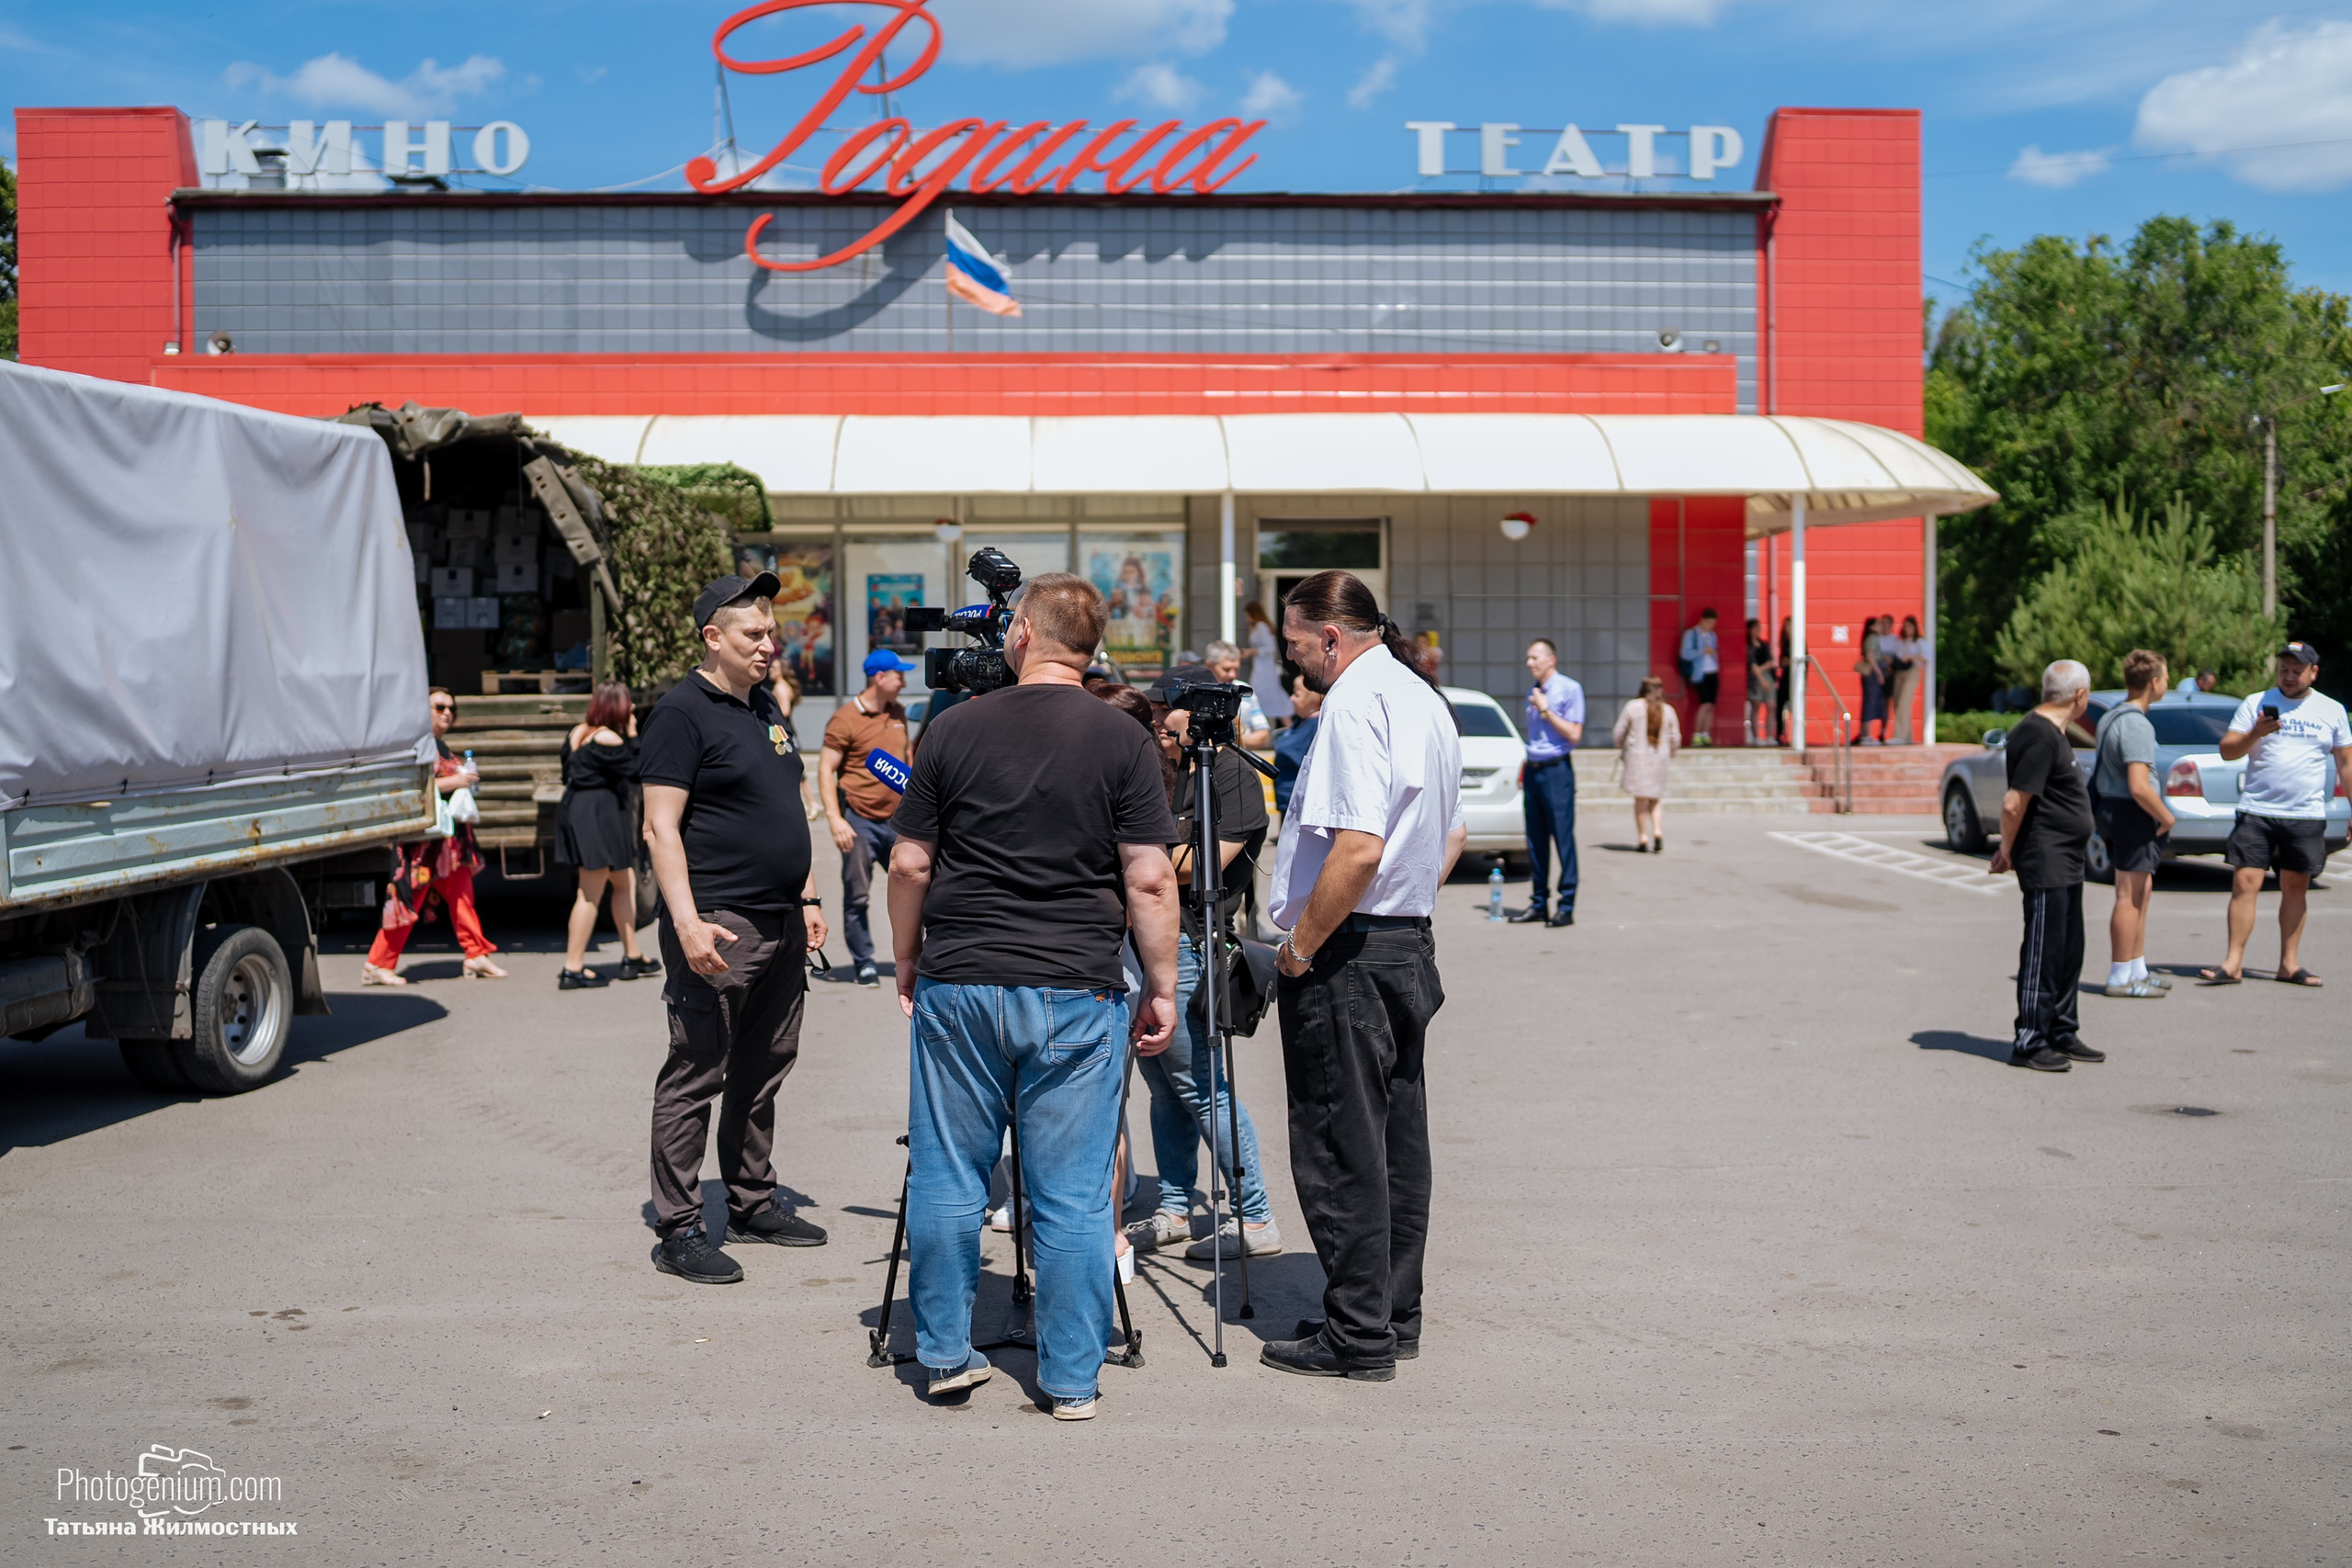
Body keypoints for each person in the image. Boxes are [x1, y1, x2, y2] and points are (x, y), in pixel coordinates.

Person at [887, 573, 1181, 1421]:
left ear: (1019, 633)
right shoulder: (1122, 739)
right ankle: (1071, 1378)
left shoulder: (951, 726)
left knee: (949, 1176)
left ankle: (944, 1353)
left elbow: (909, 863)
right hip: (1076, 989)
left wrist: (908, 955)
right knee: (1074, 1193)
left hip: (963, 978)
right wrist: (1159, 986)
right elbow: (1152, 878)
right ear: (1088, 647)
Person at [1262, 570, 1464, 1382]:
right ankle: (1389, 1311)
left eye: (1295, 642)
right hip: (1405, 940)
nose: (1292, 658)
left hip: (1351, 946)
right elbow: (1448, 835)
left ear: (1331, 636)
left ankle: (1357, 1333)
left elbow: (1357, 848)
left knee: (1342, 1144)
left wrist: (1302, 946)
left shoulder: (1351, 704)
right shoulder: (1422, 696)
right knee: (1394, 1142)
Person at [639, 573, 831, 1285]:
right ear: (712, 638)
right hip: (718, 924)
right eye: (754, 634)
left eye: (771, 633)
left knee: (762, 1069)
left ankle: (751, 1201)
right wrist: (687, 921)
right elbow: (660, 827)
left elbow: (787, 803)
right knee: (697, 1071)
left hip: (780, 920)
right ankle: (680, 1227)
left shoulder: (764, 709)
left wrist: (808, 897)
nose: (768, 644)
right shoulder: (680, 714)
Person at [1127, 674, 1281, 1262]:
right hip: (1146, 943)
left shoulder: (1234, 775)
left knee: (1203, 1089)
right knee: (1165, 1091)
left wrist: (1133, 861)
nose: (1157, 723)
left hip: (1194, 945)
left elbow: (1204, 866)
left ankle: (1256, 1216)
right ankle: (1174, 1207)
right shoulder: (1164, 772)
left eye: (1166, 712)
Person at [2199, 641, 2352, 987]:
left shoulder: (2332, 711)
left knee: (2295, 888)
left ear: (2313, 673)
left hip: (2305, 814)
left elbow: (2346, 763)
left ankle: (2289, 963)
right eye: (2284, 669)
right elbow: (2227, 751)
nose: (2288, 676)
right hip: (2257, 810)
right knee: (2244, 883)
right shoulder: (2255, 703)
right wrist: (2256, 732)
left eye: (2296, 671)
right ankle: (2233, 962)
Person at [1987, 659, 2099, 1072]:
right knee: (2043, 950)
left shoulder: (2054, 732)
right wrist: (2006, 849)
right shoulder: (2037, 735)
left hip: (2067, 859)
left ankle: (2061, 1030)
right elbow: (2015, 802)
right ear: (2080, 696)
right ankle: (2031, 1038)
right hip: (2046, 857)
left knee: (2069, 948)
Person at [362, 688, 507, 986]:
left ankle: (476, 954)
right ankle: (377, 964)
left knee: (463, 897)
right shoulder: (417, 746)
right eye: (439, 706)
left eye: (452, 708)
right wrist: (457, 780)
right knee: (406, 901)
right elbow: (412, 790)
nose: (447, 713)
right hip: (424, 847)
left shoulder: (438, 744)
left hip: (450, 845)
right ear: (422, 709)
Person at [820, 649, 919, 988]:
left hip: (898, 822)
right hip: (860, 820)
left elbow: (906, 762)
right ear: (880, 678)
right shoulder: (845, 719)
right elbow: (825, 768)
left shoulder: (898, 713)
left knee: (917, 888)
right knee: (858, 896)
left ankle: (918, 957)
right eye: (898, 675)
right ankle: (864, 963)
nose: (903, 682)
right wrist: (836, 819)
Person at [557, 682, 656, 989]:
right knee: (590, 893)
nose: (631, 710)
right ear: (617, 707)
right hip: (598, 816)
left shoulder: (578, 732)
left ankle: (633, 954)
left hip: (585, 810)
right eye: (628, 704)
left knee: (623, 882)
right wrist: (634, 734)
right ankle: (572, 968)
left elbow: (566, 772)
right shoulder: (609, 738)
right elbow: (639, 769)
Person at [2093, 650, 2176, 999]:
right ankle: (2119, 976)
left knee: (2142, 891)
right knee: (2128, 895)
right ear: (2154, 682)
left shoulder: (2112, 716)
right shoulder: (2137, 723)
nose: (2168, 682)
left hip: (2115, 810)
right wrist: (2166, 815)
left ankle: (2136, 967)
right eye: (2166, 676)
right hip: (2131, 813)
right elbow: (2139, 784)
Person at [1510, 637, 1583, 927]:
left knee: (1562, 839)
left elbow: (1574, 735)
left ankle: (1566, 906)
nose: (1530, 664)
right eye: (1528, 658)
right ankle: (1539, 902)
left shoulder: (1569, 689)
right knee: (1535, 839)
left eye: (1535, 658)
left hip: (1557, 771)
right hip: (1534, 770)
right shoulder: (1535, 691)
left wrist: (1545, 709)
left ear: (1550, 660)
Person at [1611, 675, 1681, 853]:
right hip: (1660, 758)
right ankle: (1657, 831)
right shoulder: (1668, 710)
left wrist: (1620, 746)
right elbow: (1676, 738)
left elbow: (1619, 732)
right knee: (1655, 798)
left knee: (1640, 799)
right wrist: (1672, 752)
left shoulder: (1633, 707)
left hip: (1637, 758)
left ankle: (1643, 836)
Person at [768, 665, 822, 819]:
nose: (771, 670)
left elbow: (784, 711)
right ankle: (810, 803)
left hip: (780, 732)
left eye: (774, 668)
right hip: (783, 731)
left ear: (782, 671)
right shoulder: (784, 686)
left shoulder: (780, 687)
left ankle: (812, 803)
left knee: (792, 768)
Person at [1204, 639, 1272, 747]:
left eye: (1236, 669)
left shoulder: (1244, 690)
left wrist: (1231, 742)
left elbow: (1264, 735)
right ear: (1209, 665)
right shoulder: (1200, 692)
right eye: (1226, 669)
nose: (1233, 675)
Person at [1273, 676, 1322, 815]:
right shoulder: (1299, 722)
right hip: (1287, 800)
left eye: (1297, 695)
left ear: (1313, 699)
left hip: (1301, 804)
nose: (1291, 699)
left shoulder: (1316, 726)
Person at [1245, 600, 1294, 730]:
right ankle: (1283, 728)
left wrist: (1252, 651)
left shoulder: (1261, 626)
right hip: (1261, 667)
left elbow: (1269, 648)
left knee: (1264, 696)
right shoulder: (1258, 626)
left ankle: (1285, 728)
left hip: (1265, 669)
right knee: (1270, 697)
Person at [1678, 608, 1720, 746]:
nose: (1710, 626)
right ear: (1702, 620)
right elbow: (1685, 653)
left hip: (1713, 671)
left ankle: (1705, 733)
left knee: (1711, 705)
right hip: (1700, 673)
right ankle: (1697, 734)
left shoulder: (1712, 635)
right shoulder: (1692, 634)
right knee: (1704, 703)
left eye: (1713, 623)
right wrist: (1702, 651)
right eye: (1708, 622)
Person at [1885, 615, 1927, 745]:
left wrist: (1911, 657)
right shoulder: (1902, 642)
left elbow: (1926, 657)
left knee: (1904, 702)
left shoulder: (1919, 642)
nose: (1907, 629)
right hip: (1899, 672)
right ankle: (1907, 737)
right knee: (1898, 703)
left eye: (1910, 626)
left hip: (1911, 671)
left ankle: (1900, 736)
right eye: (1905, 626)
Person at [1855, 615, 1890, 744]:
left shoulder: (1871, 638)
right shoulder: (1873, 637)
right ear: (1872, 627)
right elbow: (1870, 657)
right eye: (1879, 624)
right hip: (1872, 674)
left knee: (1871, 702)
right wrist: (1879, 673)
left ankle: (1865, 735)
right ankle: (1865, 735)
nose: (1881, 626)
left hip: (1872, 673)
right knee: (1870, 702)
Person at [1746, 618, 1778, 746]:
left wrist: (1760, 670)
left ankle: (1770, 736)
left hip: (1765, 675)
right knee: (1756, 706)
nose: (1758, 630)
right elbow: (1751, 665)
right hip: (1755, 679)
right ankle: (1756, 737)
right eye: (1756, 627)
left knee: (1771, 705)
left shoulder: (1764, 644)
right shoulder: (1747, 646)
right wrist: (1760, 677)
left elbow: (1770, 662)